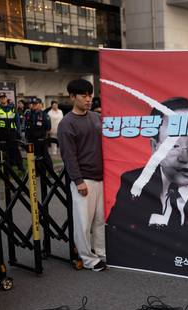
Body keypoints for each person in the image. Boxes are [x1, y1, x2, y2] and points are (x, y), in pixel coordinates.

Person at [106, 97, 188, 279]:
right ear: (155, 146)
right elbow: (117, 236)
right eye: (174, 145)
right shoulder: (134, 182)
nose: (185, 157)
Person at [57, 79, 106, 272]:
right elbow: (69, 156)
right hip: (83, 179)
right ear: (72, 97)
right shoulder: (66, 123)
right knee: (83, 223)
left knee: (100, 221)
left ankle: (102, 254)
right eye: (83, 96)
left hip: (102, 178)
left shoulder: (96, 117)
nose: (88, 99)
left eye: (90, 95)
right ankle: (88, 259)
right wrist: (78, 181)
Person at [0, 92, 24, 172]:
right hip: (2, 132)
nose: (3, 99)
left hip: (12, 132)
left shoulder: (12, 109)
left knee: (15, 148)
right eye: (1, 98)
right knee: (4, 150)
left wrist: (18, 131)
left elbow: (17, 120)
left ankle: (20, 165)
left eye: (4, 97)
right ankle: (7, 166)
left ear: (6, 98)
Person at [25, 97, 52, 169]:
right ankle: (36, 171)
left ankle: (50, 170)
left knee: (45, 154)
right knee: (33, 156)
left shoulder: (45, 115)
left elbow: (48, 129)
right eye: (33, 104)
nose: (34, 105)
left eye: (36, 104)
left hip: (41, 138)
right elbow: (26, 126)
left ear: (40, 104)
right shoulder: (29, 114)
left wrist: (43, 135)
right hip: (31, 138)